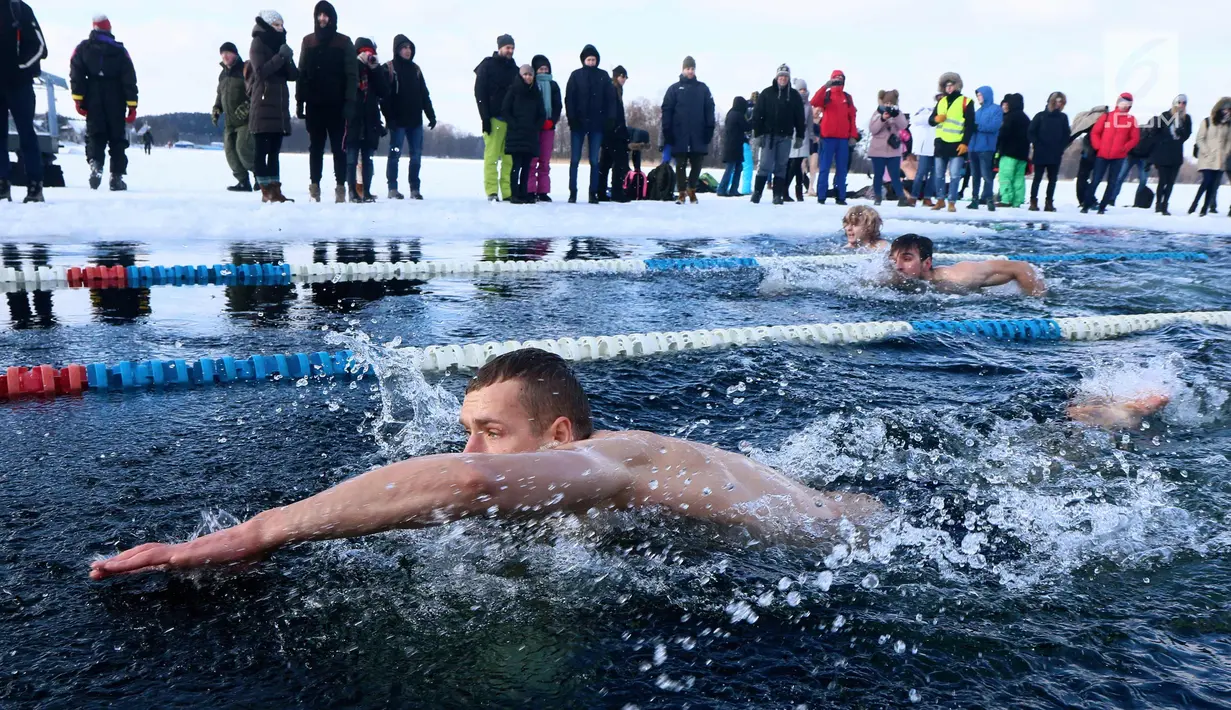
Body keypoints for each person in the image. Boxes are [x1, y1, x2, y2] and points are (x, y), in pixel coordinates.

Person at [88, 349, 882, 582]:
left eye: (492, 430)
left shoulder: (603, 458)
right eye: (464, 431)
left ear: (558, 431)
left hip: (858, 547)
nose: (471, 451)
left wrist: (257, 533)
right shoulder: (626, 464)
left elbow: (469, 484)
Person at [70, 15, 139, 192]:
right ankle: (116, 177)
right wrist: (132, 104)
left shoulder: (83, 48)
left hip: (93, 96)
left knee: (95, 134)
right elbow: (129, 77)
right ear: (109, 29)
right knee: (117, 138)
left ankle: (95, 164)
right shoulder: (120, 51)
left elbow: (76, 73)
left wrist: (79, 99)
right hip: (116, 97)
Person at [296, 1, 356, 203]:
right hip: (314, 104)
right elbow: (302, 72)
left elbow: (351, 74)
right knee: (316, 148)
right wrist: (299, 101)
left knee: (339, 149)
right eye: (319, 15)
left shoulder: (344, 42)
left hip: (337, 105)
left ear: (332, 18)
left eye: (326, 15)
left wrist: (349, 102)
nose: (322, 19)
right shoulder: (308, 41)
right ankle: (315, 188)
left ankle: (340, 189)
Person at [246, 10, 298, 203]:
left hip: (279, 108)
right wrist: (280, 57)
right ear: (267, 25)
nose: (280, 28)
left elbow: (293, 75)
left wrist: (287, 57)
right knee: (261, 150)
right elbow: (260, 72)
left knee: (274, 151)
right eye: (276, 25)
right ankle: (265, 190)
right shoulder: (258, 43)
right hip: (263, 104)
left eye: (281, 25)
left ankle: (275, 191)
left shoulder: (280, 45)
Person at [888, 234, 1046, 296]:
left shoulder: (960, 276)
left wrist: (1037, 299)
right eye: (893, 260)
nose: (898, 266)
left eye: (906, 259)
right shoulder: (891, 277)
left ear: (927, 263)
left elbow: (1020, 267)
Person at [0, 0, 47, 203]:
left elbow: (40, 46)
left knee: (27, 134)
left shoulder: (19, 9)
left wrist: (21, 66)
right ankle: (2, 183)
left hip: (19, 85)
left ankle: (35, 185)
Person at [381, 35, 435, 201]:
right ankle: (392, 188)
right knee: (394, 154)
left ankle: (414, 188)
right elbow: (384, 97)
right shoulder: (389, 68)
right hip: (397, 122)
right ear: (397, 49)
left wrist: (431, 114)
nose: (407, 50)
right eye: (404, 47)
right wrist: (389, 118)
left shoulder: (416, 70)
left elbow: (424, 94)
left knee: (416, 155)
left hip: (415, 122)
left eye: (409, 47)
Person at [565, 44, 616, 204]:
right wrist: (571, 118)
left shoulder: (603, 76)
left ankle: (593, 192)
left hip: (597, 124)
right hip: (578, 124)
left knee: (594, 160)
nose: (591, 62)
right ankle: (573, 192)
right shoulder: (575, 76)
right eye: (588, 59)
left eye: (594, 59)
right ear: (583, 60)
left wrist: (610, 119)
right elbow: (569, 98)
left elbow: (611, 100)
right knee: (574, 160)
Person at [661, 56, 715, 205]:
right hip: (679, 133)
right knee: (680, 164)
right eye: (687, 68)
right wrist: (667, 130)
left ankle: (692, 189)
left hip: (698, 132)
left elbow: (710, 109)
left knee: (697, 163)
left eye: (692, 69)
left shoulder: (703, 88)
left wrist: (709, 128)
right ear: (683, 69)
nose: (690, 71)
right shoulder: (674, 89)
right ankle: (681, 193)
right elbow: (667, 110)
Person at [751, 65, 804, 205]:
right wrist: (758, 134)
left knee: (782, 167)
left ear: (788, 78)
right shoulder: (767, 93)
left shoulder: (794, 96)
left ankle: (778, 195)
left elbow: (799, 117)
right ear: (776, 77)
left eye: (786, 76)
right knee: (765, 165)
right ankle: (757, 194)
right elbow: (757, 115)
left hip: (785, 137)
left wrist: (800, 135)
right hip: (768, 136)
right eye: (781, 76)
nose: (783, 78)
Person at [344, 37, 388, 203]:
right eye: (364, 52)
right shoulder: (350, 67)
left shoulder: (376, 71)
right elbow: (347, 84)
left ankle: (367, 191)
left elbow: (384, 91)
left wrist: (375, 69)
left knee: (368, 159)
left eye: (370, 52)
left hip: (370, 120)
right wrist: (358, 64)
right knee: (351, 158)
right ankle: (352, 192)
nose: (368, 55)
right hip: (353, 119)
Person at [475, 34, 518, 202]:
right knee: (491, 158)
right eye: (508, 47)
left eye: (512, 48)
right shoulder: (487, 66)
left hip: (510, 121)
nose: (510, 51)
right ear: (500, 47)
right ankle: (492, 191)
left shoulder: (515, 69)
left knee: (508, 160)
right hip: (493, 119)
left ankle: (507, 192)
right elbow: (479, 92)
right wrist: (485, 117)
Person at [1082, 92, 1139, 214]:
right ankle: (1086, 205)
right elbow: (1095, 132)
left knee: (1112, 183)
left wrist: (1125, 148)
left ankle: (1102, 207)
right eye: (1123, 103)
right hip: (1102, 155)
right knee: (1095, 180)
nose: (1124, 106)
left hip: (1118, 157)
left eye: (1128, 104)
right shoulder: (1107, 117)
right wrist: (1098, 146)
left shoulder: (1131, 120)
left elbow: (1134, 138)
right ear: (1118, 102)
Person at [929, 72, 975, 213]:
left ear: (957, 85)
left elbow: (970, 125)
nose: (949, 88)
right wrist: (936, 119)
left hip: (957, 144)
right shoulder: (941, 102)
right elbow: (931, 121)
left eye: (951, 85)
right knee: (938, 174)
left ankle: (952, 201)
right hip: (941, 143)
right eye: (946, 86)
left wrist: (965, 143)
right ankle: (940, 199)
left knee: (955, 175)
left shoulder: (966, 102)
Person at [810, 70, 857, 205]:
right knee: (824, 168)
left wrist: (853, 135)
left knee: (842, 169)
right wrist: (826, 86)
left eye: (841, 78)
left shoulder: (847, 98)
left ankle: (841, 196)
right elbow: (814, 101)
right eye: (836, 78)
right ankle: (821, 196)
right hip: (827, 138)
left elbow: (852, 117)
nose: (838, 81)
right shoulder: (826, 95)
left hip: (843, 139)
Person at [212, 41, 254, 192]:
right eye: (222, 53)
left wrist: (247, 107)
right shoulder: (222, 75)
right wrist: (217, 108)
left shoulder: (246, 70)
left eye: (228, 52)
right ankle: (243, 182)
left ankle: (260, 176)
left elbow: (255, 92)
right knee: (230, 153)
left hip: (245, 121)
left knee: (243, 149)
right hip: (230, 122)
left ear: (235, 54)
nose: (225, 56)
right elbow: (220, 95)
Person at [501, 64, 546, 205]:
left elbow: (541, 113)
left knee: (527, 167)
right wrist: (514, 124)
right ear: (521, 76)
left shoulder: (536, 93)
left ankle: (524, 193)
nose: (527, 77)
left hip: (530, 135)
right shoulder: (513, 90)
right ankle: (515, 194)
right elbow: (505, 110)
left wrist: (536, 127)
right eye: (525, 74)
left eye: (530, 75)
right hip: (516, 134)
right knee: (516, 165)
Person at [1147, 95, 1192, 216]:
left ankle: (1165, 204)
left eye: (1184, 103)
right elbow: (1155, 133)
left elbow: (1187, 135)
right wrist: (1161, 143)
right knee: (1163, 181)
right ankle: (1158, 205)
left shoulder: (1186, 118)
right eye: (1179, 102)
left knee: (1171, 182)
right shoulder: (1165, 116)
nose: (1181, 105)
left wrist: (1181, 133)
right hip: (1163, 153)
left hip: (1176, 154)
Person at [527, 55, 562, 203]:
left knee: (544, 161)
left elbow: (558, 105)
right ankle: (530, 190)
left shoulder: (553, 85)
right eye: (541, 69)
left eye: (546, 69)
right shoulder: (531, 85)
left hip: (548, 127)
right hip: (534, 127)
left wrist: (552, 121)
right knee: (532, 160)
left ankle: (543, 191)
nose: (543, 71)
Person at [1027, 91, 1069, 212]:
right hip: (1041, 152)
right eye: (1056, 101)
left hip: (1055, 153)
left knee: (1052, 179)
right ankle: (1033, 202)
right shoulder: (1040, 116)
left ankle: (1049, 203)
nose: (1058, 104)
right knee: (1037, 178)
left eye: (1061, 102)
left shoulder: (1063, 117)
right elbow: (1031, 132)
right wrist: (1037, 144)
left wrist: (1061, 147)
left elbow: (1066, 134)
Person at [1190, 98, 1231, 216]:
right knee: (1206, 181)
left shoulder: (1227, 125)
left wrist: (1225, 152)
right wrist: (1206, 151)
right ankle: (1194, 204)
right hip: (1207, 158)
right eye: (1226, 109)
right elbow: (1200, 138)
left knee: (1213, 185)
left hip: (1220, 159)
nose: (1228, 112)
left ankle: (1204, 209)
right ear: (1220, 109)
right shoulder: (1207, 122)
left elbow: (1229, 140)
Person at [867, 89, 908, 207]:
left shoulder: (897, 113)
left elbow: (903, 125)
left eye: (891, 103)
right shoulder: (877, 113)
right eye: (886, 103)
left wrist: (896, 116)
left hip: (893, 150)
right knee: (878, 175)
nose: (889, 106)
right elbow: (873, 129)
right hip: (878, 150)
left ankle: (901, 197)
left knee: (895, 175)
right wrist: (882, 119)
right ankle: (878, 197)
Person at [966, 85, 1001, 211]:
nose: (979, 98)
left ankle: (988, 199)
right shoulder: (977, 112)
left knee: (987, 175)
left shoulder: (996, 109)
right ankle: (974, 199)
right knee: (975, 175)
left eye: (980, 95)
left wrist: (978, 127)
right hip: (974, 147)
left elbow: (994, 126)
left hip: (986, 147)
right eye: (978, 95)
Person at [597, 65, 629, 202]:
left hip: (610, 132)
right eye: (622, 77)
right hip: (613, 132)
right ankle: (616, 192)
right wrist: (616, 128)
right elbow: (613, 112)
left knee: (606, 163)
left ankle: (601, 191)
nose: (624, 80)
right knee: (619, 163)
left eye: (625, 77)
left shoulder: (616, 90)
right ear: (617, 76)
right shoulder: (612, 89)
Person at [1069, 104, 1107, 207]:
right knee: (1093, 178)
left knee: (1083, 176)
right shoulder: (1105, 119)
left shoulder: (1090, 118)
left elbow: (1076, 132)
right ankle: (1088, 199)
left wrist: (1065, 144)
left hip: (1088, 151)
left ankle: (1084, 199)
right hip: (1097, 152)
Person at [996, 93, 1029, 208]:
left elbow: (1003, 135)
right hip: (1023, 155)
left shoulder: (1009, 117)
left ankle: (1006, 199)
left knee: (1005, 176)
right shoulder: (1026, 118)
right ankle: (1017, 201)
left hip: (1009, 153)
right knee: (1019, 178)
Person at [782, 78, 810, 202]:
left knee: (798, 164)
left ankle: (798, 191)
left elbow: (809, 122)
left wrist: (812, 135)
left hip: (803, 136)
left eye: (804, 89)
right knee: (792, 164)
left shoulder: (809, 105)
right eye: (800, 89)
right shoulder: (791, 101)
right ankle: (785, 188)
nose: (803, 92)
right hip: (792, 135)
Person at [907, 97, 938, 207]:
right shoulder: (926, 109)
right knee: (921, 173)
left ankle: (927, 197)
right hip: (926, 147)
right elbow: (915, 119)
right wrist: (932, 118)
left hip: (939, 146)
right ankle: (913, 197)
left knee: (935, 174)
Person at [718, 96, 750, 197]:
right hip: (735, 146)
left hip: (731, 145)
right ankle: (724, 189)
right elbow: (746, 127)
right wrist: (754, 119)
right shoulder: (738, 115)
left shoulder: (731, 113)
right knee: (732, 168)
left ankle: (729, 189)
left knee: (735, 168)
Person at [741, 91, 757, 195]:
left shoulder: (742, 109)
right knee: (748, 165)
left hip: (736, 141)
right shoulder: (755, 110)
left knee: (735, 166)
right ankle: (746, 188)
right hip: (745, 140)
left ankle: (726, 187)